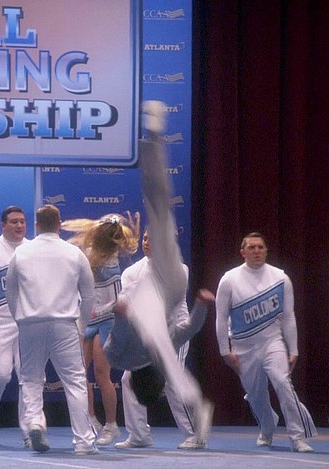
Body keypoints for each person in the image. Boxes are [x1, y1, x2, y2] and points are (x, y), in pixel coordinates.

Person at [101, 101, 213, 451]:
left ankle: (144, 433)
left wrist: (202, 306)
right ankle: (154, 137)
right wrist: (121, 312)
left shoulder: (159, 350)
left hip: (169, 291)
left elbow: (189, 328)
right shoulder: (131, 357)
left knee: (159, 207)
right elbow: (120, 332)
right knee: (158, 205)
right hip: (167, 291)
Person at [107, 230, 214, 450]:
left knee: (172, 378)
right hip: (146, 337)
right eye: (146, 238)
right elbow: (127, 304)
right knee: (127, 379)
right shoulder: (130, 272)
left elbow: (171, 308)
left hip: (174, 332)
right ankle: (138, 435)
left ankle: (195, 434)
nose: (148, 242)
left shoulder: (179, 269)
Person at [5, 204, 98, 455]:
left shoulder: (21, 253)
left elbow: (10, 293)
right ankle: (84, 441)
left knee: (30, 380)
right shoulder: (74, 253)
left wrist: (20, 319)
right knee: (75, 382)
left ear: (36, 225)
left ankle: (35, 422)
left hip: (30, 324)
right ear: (59, 224)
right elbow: (89, 294)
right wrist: (81, 327)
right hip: (65, 324)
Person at [215, 232, 317, 453]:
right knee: (255, 394)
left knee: (283, 383)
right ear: (243, 252)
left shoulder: (280, 278)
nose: (256, 251)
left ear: (266, 251)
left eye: (260, 247)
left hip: (273, 342)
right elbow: (221, 317)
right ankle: (267, 426)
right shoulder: (229, 279)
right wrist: (225, 350)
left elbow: (288, 316)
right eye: (251, 247)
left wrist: (293, 349)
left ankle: (297, 437)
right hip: (242, 346)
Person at [61, 211, 139, 446]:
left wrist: (127, 228)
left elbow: (116, 302)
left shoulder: (114, 258)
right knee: (78, 374)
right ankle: (91, 420)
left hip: (107, 321)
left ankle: (111, 425)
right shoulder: (85, 253)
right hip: (87, 319)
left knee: (101, 373)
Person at [0, 205, 44, 445]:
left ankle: (30, 431)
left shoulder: (34, 250)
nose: (19, 225)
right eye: (14, 221)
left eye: (22, 221)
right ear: (3, 225)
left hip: (28, 322)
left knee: (30, 377)